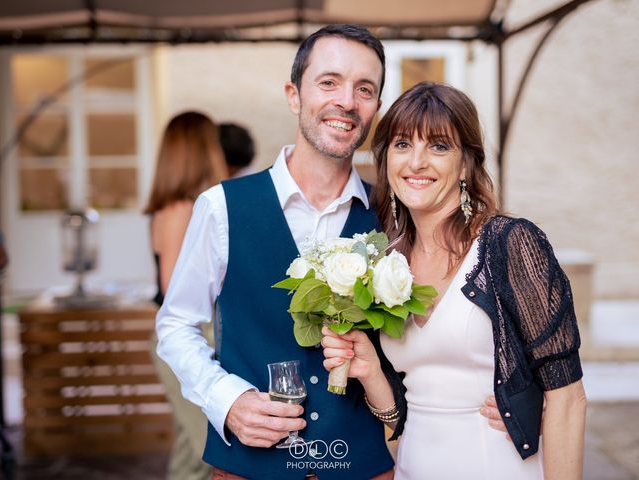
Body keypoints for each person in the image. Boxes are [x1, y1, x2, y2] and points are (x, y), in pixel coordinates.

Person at [156, 25, 507, 480]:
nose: (346, 101)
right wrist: (226, 400)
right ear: (294, 95)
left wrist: (514, 390)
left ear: (376, 109)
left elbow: (452, 318)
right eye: (329, 82)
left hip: (367, 466)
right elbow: (176, 323)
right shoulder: (221, 207)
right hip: (249, 467)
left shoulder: (399, 213)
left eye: (364, 89)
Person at [321, 82, 587, 480]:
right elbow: (402, 416)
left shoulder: (508, 244)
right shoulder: (385, 261)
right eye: (402, 144)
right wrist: (372, 372)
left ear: (465, 164)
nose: (417, 162)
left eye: (439, 146)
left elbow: (568, 401)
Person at [144, 111, 228, 480]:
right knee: (207, 451)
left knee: (188, 448)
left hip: (192, 337)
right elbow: (173, 292)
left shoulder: (177, 208)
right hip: (191, 339)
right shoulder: (179, 211)